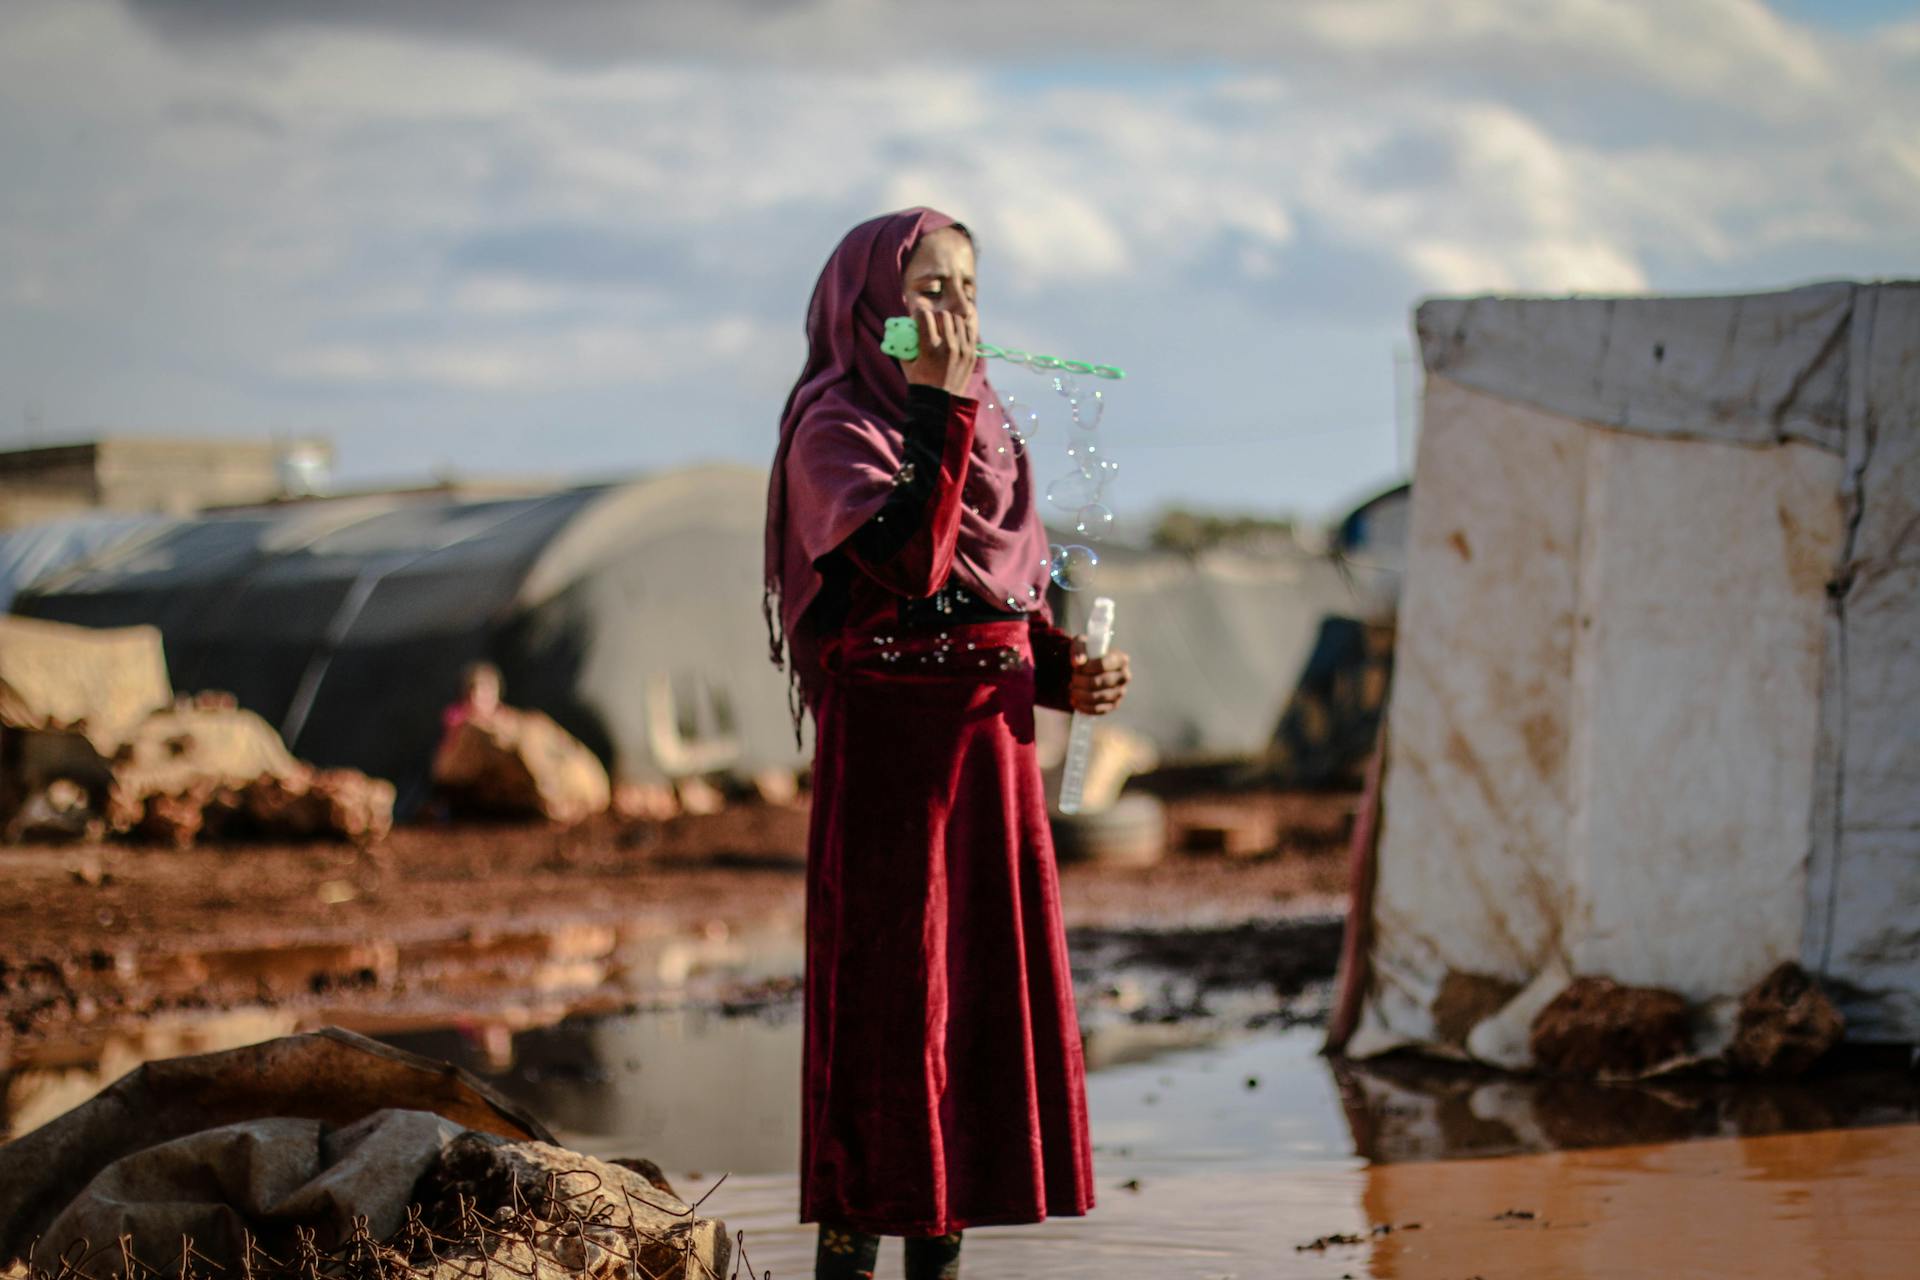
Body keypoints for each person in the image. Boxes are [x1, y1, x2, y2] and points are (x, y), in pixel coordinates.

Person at [764, 208, 1133, 1280]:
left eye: (968, 286)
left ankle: (943, 1262)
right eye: (929, 287)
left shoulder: (986, 426)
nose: (956, 309)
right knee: (891, 1011)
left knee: (970, 1008)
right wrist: (936, 407)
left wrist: (1065, 668)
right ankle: (848, 1257)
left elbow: (998, 600)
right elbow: (913, 568)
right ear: (870, 309)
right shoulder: (836, 430)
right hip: (896, 771)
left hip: (992, 765)